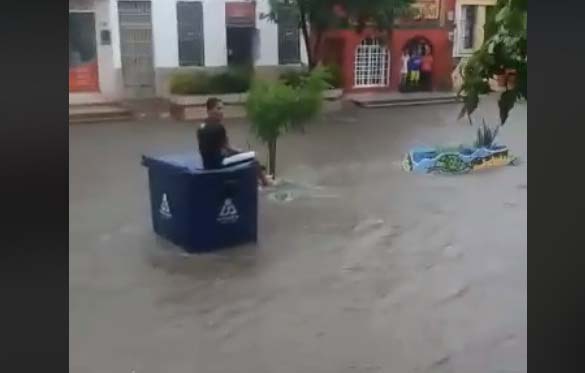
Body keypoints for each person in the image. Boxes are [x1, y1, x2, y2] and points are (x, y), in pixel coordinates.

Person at [197, 97, 273, 186]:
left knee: (244, 157)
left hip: (207, 164)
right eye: (218, 109)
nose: (221, 112)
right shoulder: (218, 128)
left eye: (222, 109)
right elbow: (228, 148)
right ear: (209, 110)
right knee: (253, 159)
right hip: (219, 164)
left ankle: (260, 179)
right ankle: (266, 183)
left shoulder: (201, 126)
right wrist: (244, 153)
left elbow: (208, 148)